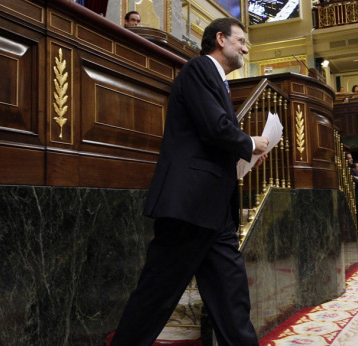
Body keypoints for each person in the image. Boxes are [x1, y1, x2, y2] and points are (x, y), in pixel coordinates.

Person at [111, 18, 269, 346]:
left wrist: (244, 156)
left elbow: (210, 138)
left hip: (214, 209)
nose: (245, 48)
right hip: (189, 206)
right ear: (221, 39)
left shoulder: (217, 81)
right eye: (241, 41)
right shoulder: (199, 69)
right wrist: (250, 143)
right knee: (156, 296)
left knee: (231, 294)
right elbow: (215, 127)